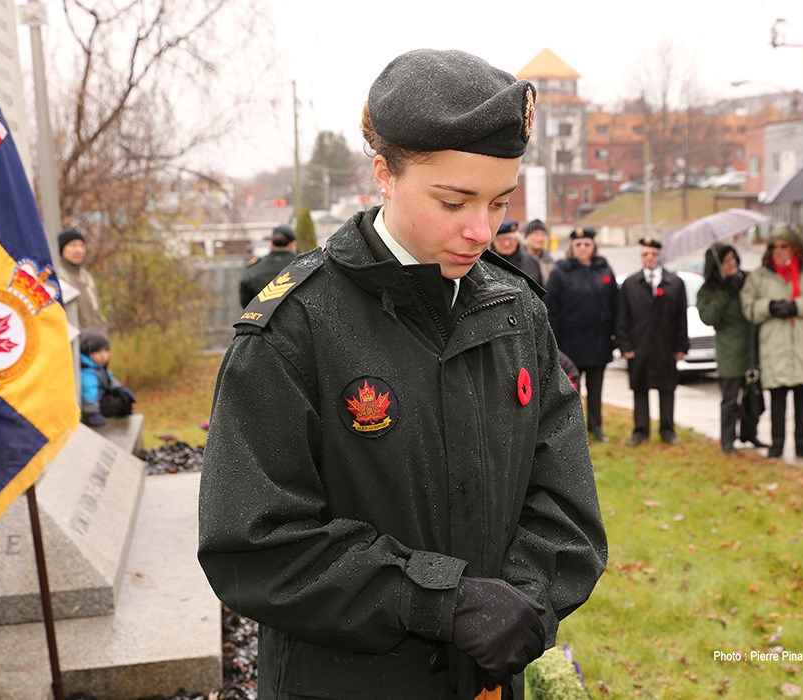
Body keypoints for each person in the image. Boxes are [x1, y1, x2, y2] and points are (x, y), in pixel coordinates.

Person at [197, 49, 607, 700]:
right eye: (454, 200)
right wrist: (433, 602)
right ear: (384, 173)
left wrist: (514, 612)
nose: (481, 230)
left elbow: (566, 502)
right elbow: (253, 542)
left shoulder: (516, 311)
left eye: (500, 201)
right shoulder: (295, 328)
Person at [740, 224, 803, 459]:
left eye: (785, 246)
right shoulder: (760, 276)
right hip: (776, 346)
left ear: (795, 248)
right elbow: (748, 305)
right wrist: (769, 307)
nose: (780, 251)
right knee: (778, 399)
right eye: (775, 247)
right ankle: (777, 442)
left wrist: (797, 306)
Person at [545, 226, 618, 442]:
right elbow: (552, 310)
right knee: (571, 391)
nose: (582, 248)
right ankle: (572, 431)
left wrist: (615, 338)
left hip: (599, 342)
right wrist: (554, 344)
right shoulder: (560, 272)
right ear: (571, 247)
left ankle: (596, 427)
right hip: (570, 344)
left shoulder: (604, 270)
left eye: (587, 244)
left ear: (593, 246)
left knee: (596, 391)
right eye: (578, 244)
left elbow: (615, 305)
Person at [616, 237, 688, 446]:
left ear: (660, 256)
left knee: (667, 389)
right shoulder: (630, 283)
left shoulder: (674, 282)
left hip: (665, 347)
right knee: (640, 388)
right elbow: (622, 318)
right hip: (639, 347)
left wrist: (680, 347)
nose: (650, 258)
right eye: (646, 254)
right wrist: (625, 346)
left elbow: (681, 318)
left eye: (654, 254)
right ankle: (640, 430)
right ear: (641, 256)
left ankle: (667, 430)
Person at [696, 242, 767, 452]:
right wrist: (725, 290)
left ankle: (750, 434)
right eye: (726, 261)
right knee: (730, 400)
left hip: (751, 349)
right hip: (729, 352)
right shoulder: (709, 289)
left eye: (733, 259)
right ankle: (727, 439)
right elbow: (709, 317)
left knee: (752, 394)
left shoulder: (746, 279)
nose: (732, 264)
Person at [78, 328, 135, 428]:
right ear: (87, 352)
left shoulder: (98, 367)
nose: (103, 355)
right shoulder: (88, 371)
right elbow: (89, 392)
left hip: (101, 400)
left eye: (106, 350)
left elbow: (109, 379)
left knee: (125, 400)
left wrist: (119, 388)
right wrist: (92, 414)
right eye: (98, 351)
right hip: (94, 407)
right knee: (122, 405)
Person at [57, 228, 107, 333]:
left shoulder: (86, 276)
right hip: (75, 342)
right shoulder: (59, 276)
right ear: (62, 249)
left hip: (95, 339)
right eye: (73, 245)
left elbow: (96, 309)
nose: (78, 250)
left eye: (81, 246)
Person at [239, 224, 298, 308]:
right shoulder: (302, 267)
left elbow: (246, 305)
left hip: (261, 319)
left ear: (271, 243)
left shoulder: (254, 268)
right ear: (293, 244)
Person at [491, 218, 542, 282]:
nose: (506, 244)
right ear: (493, 242)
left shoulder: (531, 261)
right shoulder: (484, 262)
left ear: (517, 240)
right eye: (501, 239)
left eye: (510, 239)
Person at [524, 219, 556, 286]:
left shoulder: (549, 260)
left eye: (543, 235)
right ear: (527, 237)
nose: (540, 239)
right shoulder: (519, 259)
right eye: (536, 234)